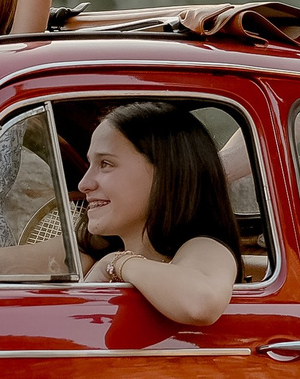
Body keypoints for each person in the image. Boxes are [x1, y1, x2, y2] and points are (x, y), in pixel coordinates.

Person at [76, 101, 241, 327]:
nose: (84, 183)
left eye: (105, 164)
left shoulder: (203, 247)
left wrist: (115, 263)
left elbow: (201, 303)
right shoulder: (89, 248)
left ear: (166, 173)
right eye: (90, 164)